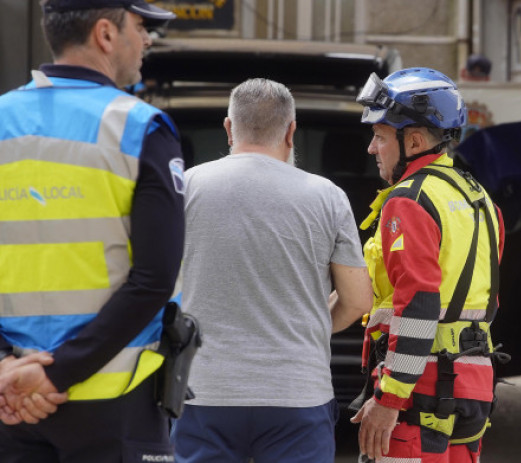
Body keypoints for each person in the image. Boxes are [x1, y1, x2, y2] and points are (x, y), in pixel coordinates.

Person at [0, 0, 186, 461]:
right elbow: (154, 279)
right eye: (141, 27)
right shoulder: (141, 127)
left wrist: (8, 368)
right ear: (106, 33)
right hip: (116, 402)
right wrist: (56, 374)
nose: (147, 40)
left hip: (11, 401)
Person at [171, 78, 373, 463]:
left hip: (205, 391)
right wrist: (303, 327)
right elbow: (358, 299)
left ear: (229, 128)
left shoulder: (186, 186)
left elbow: (156, 281)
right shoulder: (326, 196)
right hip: (297, 393)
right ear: (291, 131)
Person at [349, 67, 506, 462]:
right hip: (474, 385)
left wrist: (389, 398)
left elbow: (419, 305)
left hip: (420, 391)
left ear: (414, 140)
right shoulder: (480, 200)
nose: (372, 148)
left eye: (380, 136)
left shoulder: (407, 200)